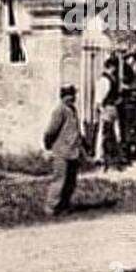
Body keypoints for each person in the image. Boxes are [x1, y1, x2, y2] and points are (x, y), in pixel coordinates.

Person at [42, 85, 83, 215]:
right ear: (64, 97)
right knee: (59, 180)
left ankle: (64, 205)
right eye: (70, 95)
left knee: (70, 181)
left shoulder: (73, 110)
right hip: (61, 151)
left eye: (73, 95)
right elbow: (50, 130)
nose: (73, 98)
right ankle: (51, 207)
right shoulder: (59, 111)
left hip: (73, 151)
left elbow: (76, 130)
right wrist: (48, 145)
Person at [96, 55, 122, 169]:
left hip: (112, 107)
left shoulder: (112, 79)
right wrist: (101, 108)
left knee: (115, 133)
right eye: (113, 67)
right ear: (109, 67)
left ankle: (114, 156)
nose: (114, 69)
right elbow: (99, 98)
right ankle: (100, 156)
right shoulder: (104, 80)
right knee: (104, 133)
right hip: (107, 108)